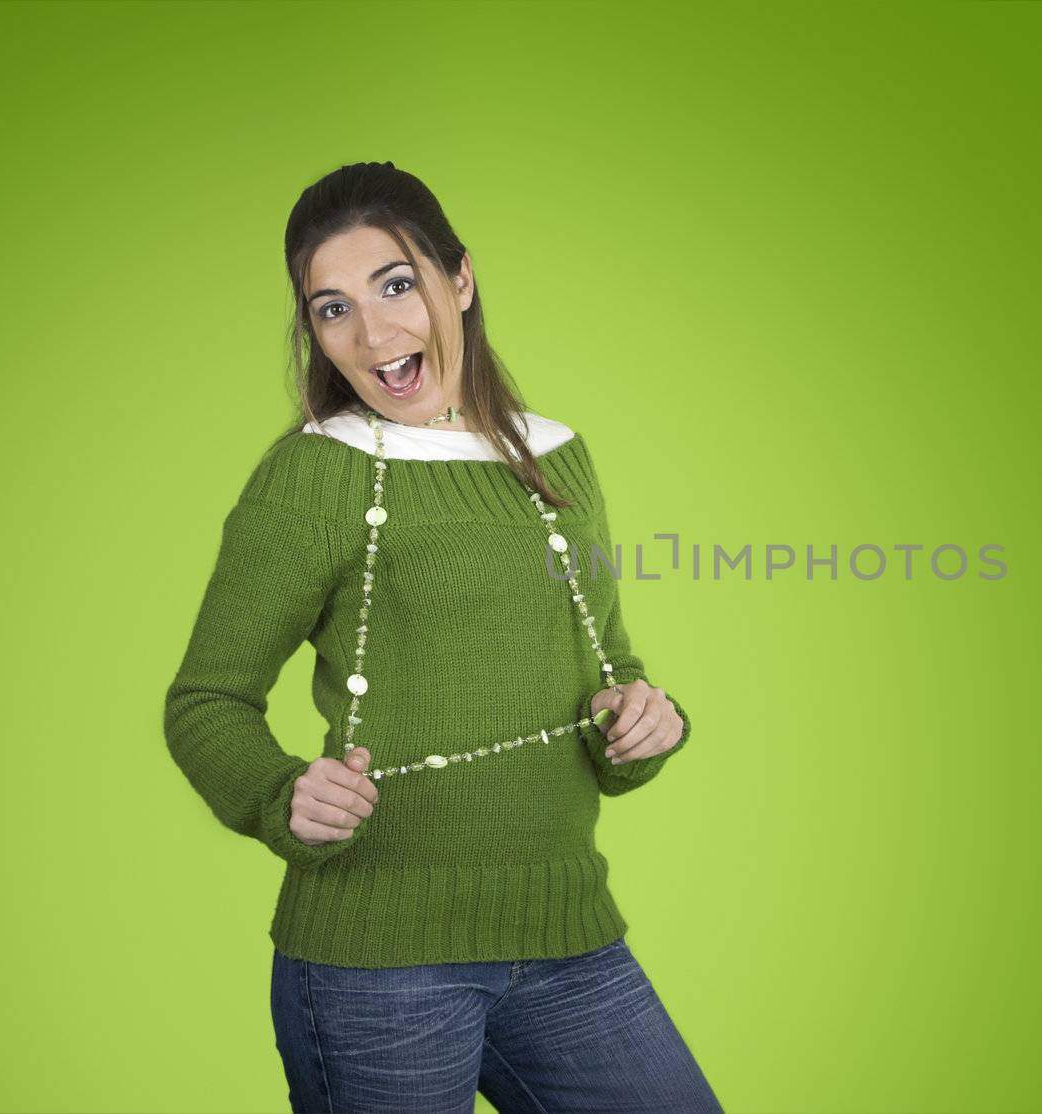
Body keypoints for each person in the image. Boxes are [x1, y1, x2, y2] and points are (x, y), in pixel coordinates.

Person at [163, 161, 722, 1113]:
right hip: (377, 969)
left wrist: (643, 721)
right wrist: (277, 796)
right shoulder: (317, 475)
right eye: (331, 308)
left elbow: (606, 669)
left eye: (395, 285)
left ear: (459, 280)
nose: (374, 334)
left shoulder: (556, 457)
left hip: (567, 938)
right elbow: (205, 702)